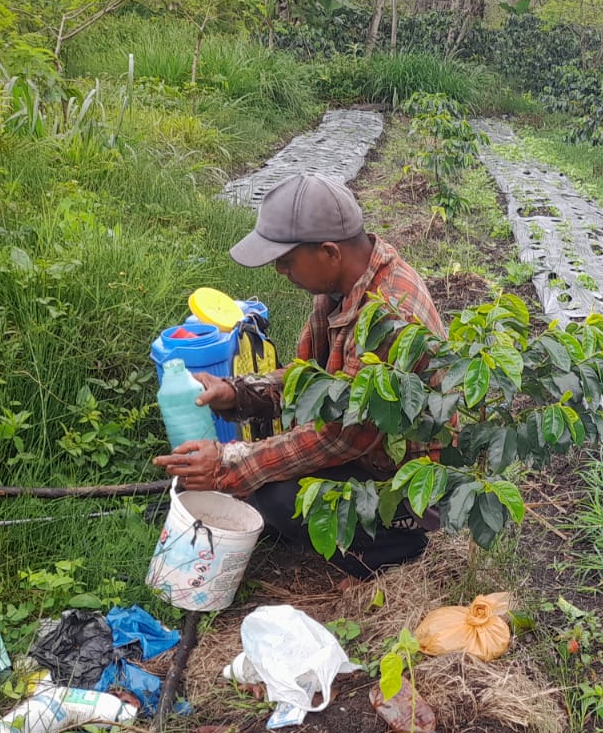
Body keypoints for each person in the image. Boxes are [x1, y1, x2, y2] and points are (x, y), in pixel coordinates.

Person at [154, 173, 447, 577]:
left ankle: (396, 541)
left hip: (398, 473)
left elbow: (346, 433)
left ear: (329, 251)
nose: (279, 270)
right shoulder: (342, 286)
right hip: (365, 448)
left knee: (276, 494)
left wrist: (229, 462)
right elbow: (314, 382)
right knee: (264, 475)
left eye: (286, 260)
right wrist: (236, 392)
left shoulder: (389, 314)